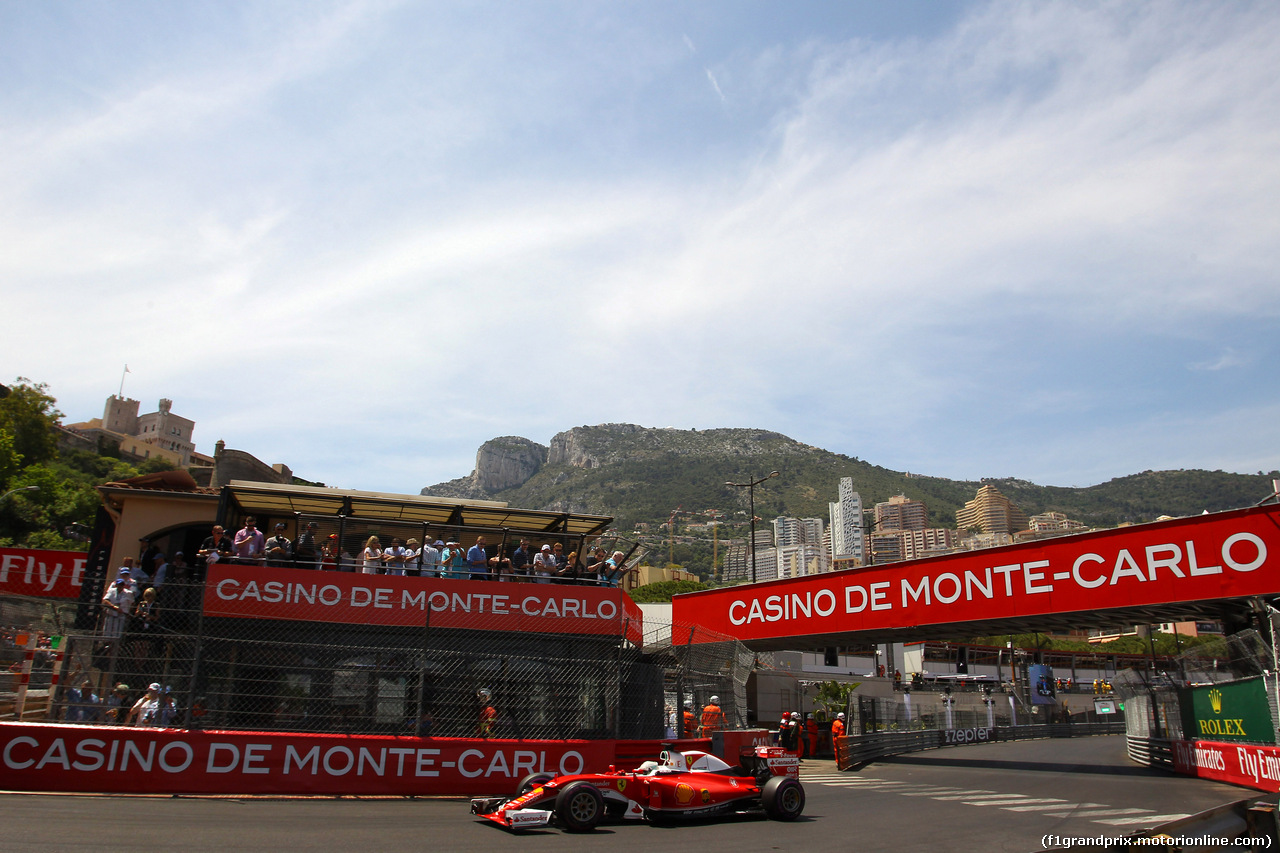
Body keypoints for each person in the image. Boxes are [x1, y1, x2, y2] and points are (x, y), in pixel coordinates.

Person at [100, 565, 138, 640]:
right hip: (111, 614)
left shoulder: (130, 588)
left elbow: (133, 600)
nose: (120, 586)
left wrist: (129, 611)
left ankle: (115, 646)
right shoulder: (112, 588)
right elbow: (105, 600)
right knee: (107, 634)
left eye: (122, 585)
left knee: (118, 635)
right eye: (118, 585)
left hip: (122, 615)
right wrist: (114, 607)